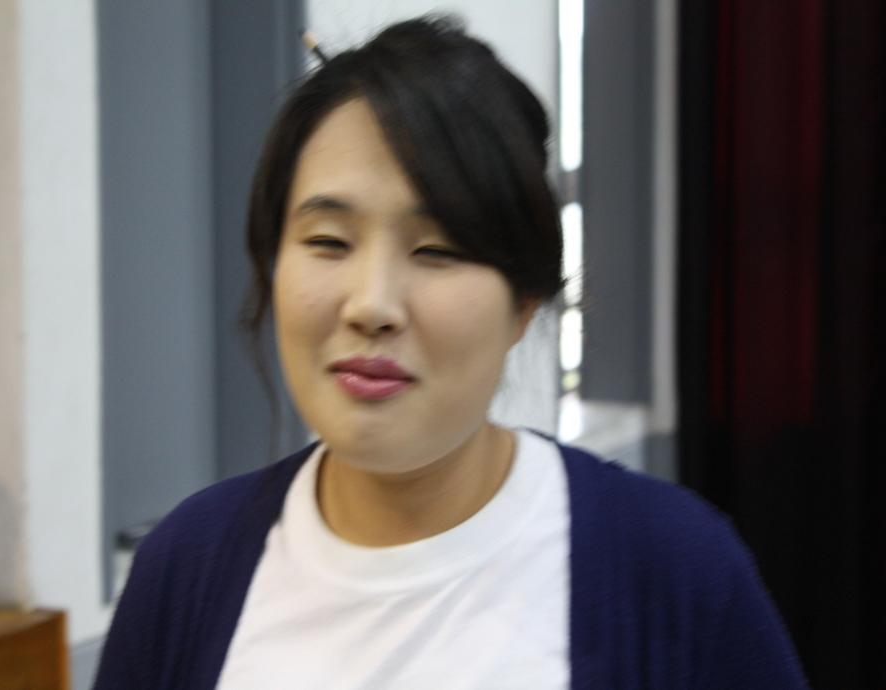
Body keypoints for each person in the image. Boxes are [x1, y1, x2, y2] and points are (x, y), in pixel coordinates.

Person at [93, 16, 808, 690]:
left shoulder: (674, 571)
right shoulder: (186, 569)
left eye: (437, 250)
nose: (371, 304)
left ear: (524, 301)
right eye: (328, 242)